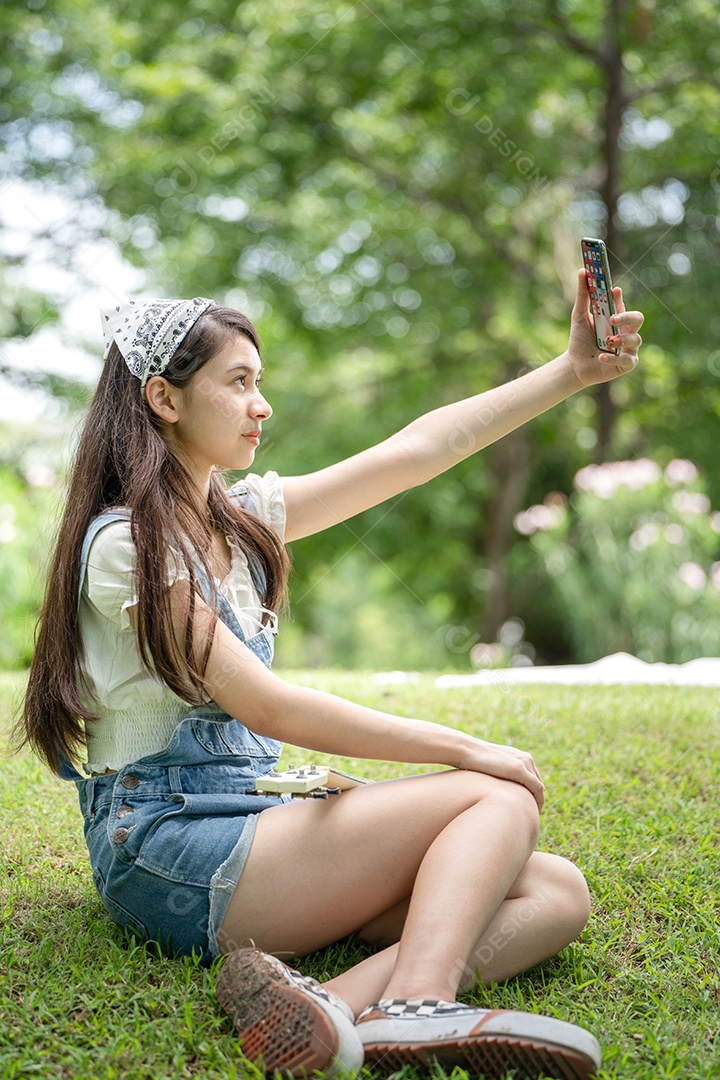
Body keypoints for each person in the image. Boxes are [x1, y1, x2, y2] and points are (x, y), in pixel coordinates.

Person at [16, 274, 643, 1078]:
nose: (261, 404)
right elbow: (266, 705)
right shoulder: (127, 546)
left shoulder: (239, 524)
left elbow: (417, 452)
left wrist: (571, 371)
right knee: (495, 796)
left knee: (554, 892)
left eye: (260, 382)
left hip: (246, 827)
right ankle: (419, 1005)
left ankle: (334, 1006)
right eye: (238, 382)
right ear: (163, 399)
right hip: (170, 849)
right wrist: (464, 749)